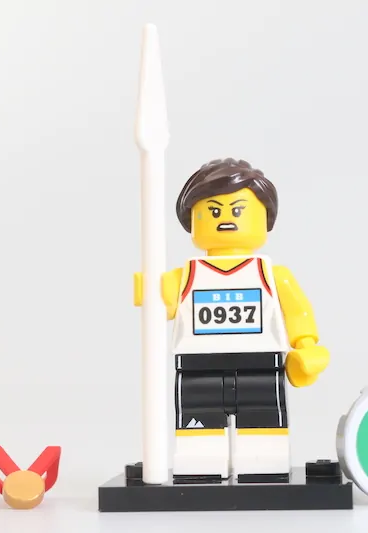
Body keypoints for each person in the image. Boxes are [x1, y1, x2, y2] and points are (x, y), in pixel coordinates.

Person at [135, 158, 329, 481]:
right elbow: (162, 309)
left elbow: (297, 311)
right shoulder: (184, 276)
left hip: (262, 363)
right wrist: (149, 292)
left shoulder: (272, 274)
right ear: (192, 219)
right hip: (197, 366)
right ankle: (200, 466)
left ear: (265, 218)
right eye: (213, 212)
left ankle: (264, 465)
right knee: (199, 425)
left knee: (263, 423)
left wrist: (306, 345)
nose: (226, 219)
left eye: (238, 210)